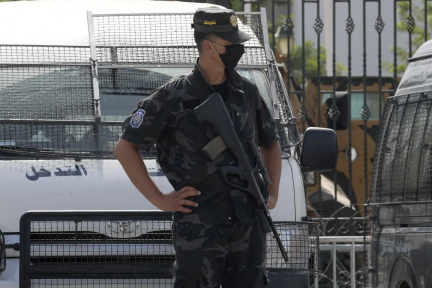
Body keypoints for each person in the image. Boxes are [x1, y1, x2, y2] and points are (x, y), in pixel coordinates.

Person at [113, 7, 282, 288]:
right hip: (201, 229)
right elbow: (124, 148)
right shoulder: (173, 96)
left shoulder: (247, 93)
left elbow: (271, 143)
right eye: (232, 44)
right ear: (208, 45)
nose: (238, 49)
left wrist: (272, 193)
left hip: (248, 227)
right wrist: (160, 199)